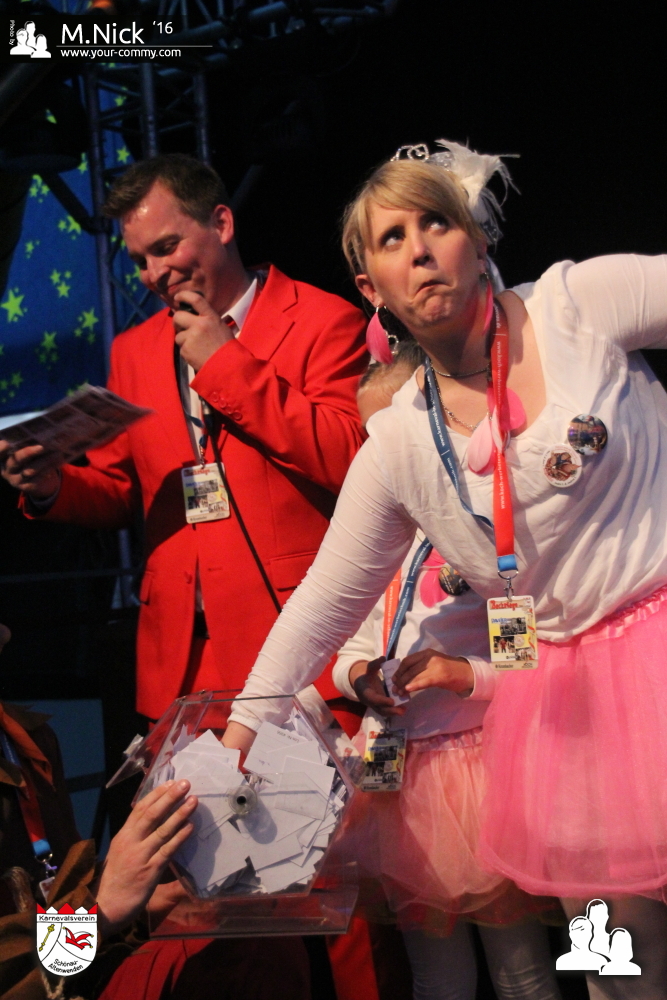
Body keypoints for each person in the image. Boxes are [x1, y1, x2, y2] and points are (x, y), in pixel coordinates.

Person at [223, 139, 667, 998]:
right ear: (371, 288)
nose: (419, 249)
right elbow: (324, 601)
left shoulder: (574, 306)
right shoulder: (396, 443)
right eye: (392, 238)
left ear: (478, 239)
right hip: (566, 705)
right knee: (615, 967)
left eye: (436, 222)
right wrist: (240, 733)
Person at [0, 153, 367, 724]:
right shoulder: (135, 349)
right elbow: (123, 491)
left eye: (166, 247)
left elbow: (349, 461)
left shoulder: (324, 321)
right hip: (181, 667)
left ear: (221, 223)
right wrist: (51, 485)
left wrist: (226, 364)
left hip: (295, 651)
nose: (153, 274)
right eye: (139, 261)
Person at [334, 350, 560, 1000]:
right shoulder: (372, 541)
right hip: (397, 775)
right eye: (370, 439)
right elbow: (347, 646)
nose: (383, 456)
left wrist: (462, 675)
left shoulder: (490, 536)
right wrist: (360, 677)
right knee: (436, 974)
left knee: (519, 968)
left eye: (396, 435)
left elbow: (528, 667)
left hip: (484, 768)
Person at [0, 623, 310, 1000]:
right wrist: (96, 913)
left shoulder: (25, 740)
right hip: (58, 969)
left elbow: (53, 891)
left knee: (254, 940)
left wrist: (141, 908)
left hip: (74, 964)